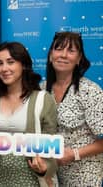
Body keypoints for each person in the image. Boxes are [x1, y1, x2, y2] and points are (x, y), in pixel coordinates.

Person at [0, 42, 58, 186]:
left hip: (30, 179)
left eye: (11, 62)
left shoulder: (43, 100)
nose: (4, 68)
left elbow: (50, 147)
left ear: (24, 65)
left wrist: (44, 168)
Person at [45, 31, 103, 186]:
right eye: (59, 49)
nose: (63, 55)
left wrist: (74, 154)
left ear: (78, 59)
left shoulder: (90, 91)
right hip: (52, 173)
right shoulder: (42, 90)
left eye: (71, 51)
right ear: (51, 55)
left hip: (84, 174)